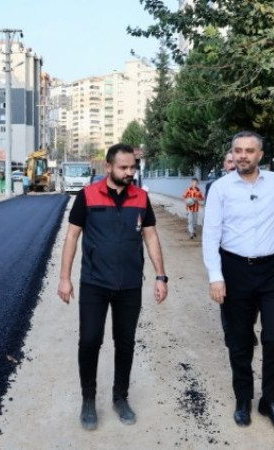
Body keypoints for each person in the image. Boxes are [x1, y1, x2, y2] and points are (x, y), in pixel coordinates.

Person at [57, 143, 168, 431]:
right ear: (108, 167)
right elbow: (72, 237)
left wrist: (160, 276)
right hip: (95, 283)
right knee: (90, 341)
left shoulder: (141, 198)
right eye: (123, 168)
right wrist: (65, 278)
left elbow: (151, 237)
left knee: (126, 342)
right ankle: (88, 400)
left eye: (132, 167)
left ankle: (120, 398)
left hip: (130, 285)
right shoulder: (87, 196)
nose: (129, 172)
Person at [202, 131, 274, 433]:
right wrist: (216, 277)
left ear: (260, 155)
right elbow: (211, 235)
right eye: (237, 150)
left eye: (249, 150)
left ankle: (270, 400)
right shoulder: (221, 188)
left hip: (272, 270)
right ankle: (243, 399)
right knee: (240, 340)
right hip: (234, 270)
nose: (243, 155)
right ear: (232, 153)